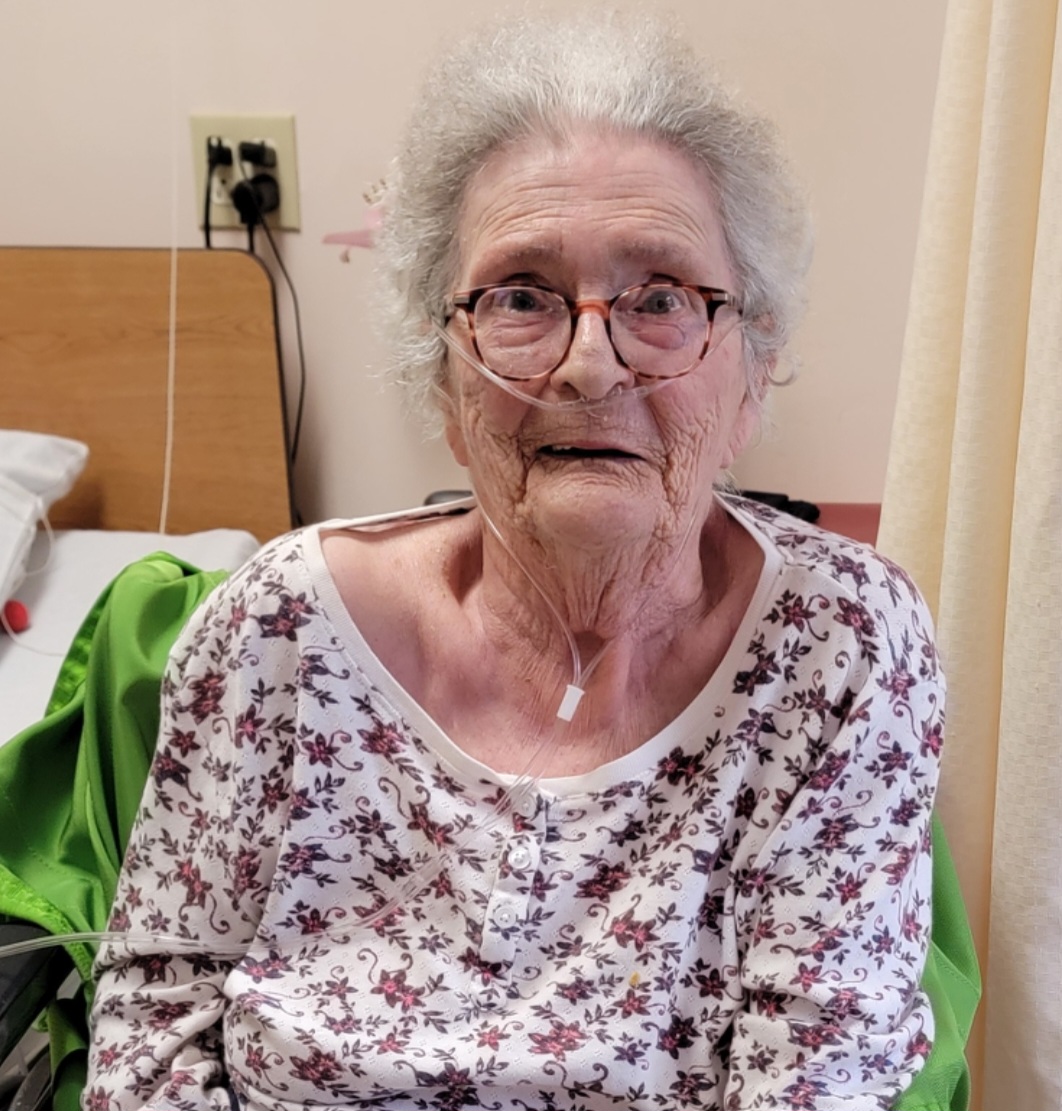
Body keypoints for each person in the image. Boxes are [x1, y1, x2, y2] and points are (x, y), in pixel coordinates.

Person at [85, 12, 943, 1111]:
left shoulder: (839, 645)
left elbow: (820, 1074)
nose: (590, 366)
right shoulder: (275, 630)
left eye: (662, 298)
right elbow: (154, 1023)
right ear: (442, 377)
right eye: (522, 298)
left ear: (752, 371)